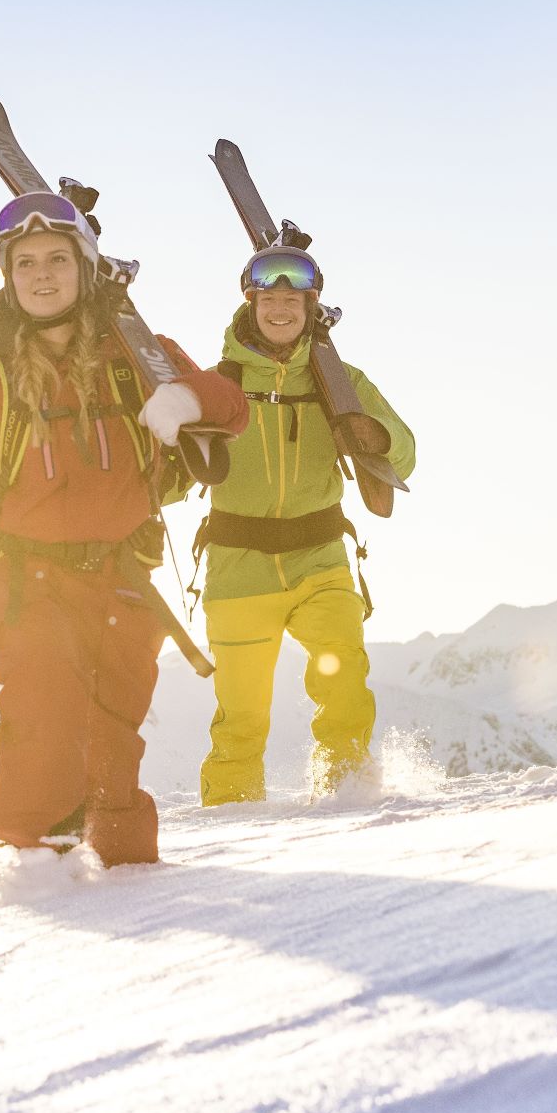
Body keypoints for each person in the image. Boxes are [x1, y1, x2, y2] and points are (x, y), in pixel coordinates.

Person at [0, 193, 249, 865]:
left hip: (123, 582)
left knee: (112, 757)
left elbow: (231, 406)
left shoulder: (139, 356)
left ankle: (125, 890)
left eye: (58, 259)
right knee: (47, 734)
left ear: (85, 267)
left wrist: (186, 398)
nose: (41, 274)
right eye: (25, 262)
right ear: (7, 276)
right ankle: (27, 881)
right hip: (26, 585)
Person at [194, 246, 415, 804]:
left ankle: (346, 798)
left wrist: (371, 434)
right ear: (251, 302)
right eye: (270, 298)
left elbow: (404, 452)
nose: (280, 309)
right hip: (238, 567)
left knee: (344, 683)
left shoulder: (342, 380)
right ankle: (230, 822)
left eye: (293, 299)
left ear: (310, 305)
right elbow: (172, 476)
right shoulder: (217, 383)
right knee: (241, 716)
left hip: (321, 557)